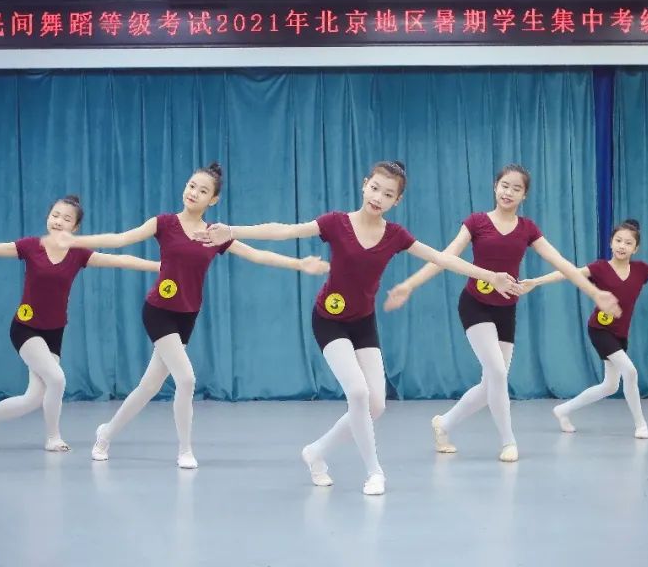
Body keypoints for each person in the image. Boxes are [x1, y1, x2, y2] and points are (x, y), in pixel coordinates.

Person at [194, 160, 521, 495]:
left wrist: (490, 275)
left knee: (376, 405)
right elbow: (285, 230)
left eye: (388, 194)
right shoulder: (336, 223)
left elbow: (442, 258)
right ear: (365, 185)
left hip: (363, 323)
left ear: (397, 201)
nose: (378, 197)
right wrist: (232, 230)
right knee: (359, 394)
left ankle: (316, 451)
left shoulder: (395, 236)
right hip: (328, 320)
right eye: (375, 188)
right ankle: (374, 472)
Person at [52, 164, 328, 469]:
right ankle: (185, 450)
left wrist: (299, 264)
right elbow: (120, 239)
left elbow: (258, 255)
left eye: (203, 190)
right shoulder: (164, 223)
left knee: (149, 387)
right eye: (191, 186)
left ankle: (105, 433)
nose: (194, 193)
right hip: (158, 311)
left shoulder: (215, 235)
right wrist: (76, 241)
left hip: (187, 315)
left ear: (213, 200)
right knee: (186, 379)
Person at [384, 164, 622, 461]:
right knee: (497, 372)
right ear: (495, 187)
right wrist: (410, 284)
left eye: (516, 188)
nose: (509, 192)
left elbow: (561, 262)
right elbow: (444, 258)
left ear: (524, 195)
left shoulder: (527, 229)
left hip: (506, 310)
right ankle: (508, 441)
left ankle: (443, 424)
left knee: (490, 384)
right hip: (475, 305)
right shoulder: (476, 222)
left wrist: (595, 293)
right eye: (504, 186)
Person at [0, 195, 160, 452]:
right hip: (25, 328)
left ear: (75, 227)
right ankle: (53, 437)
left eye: (66, 219)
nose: (59, 221)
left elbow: (120, 260)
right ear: (48, 218)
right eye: (55, 215)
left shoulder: (78, 253)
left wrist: (160, 266)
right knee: (57, 379)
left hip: (54, 332)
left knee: (32, 398)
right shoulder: (31, 247)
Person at [531, 219, 648, 438]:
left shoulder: (641, 270)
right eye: (618, 241)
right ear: (611, 243)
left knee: (610, 386)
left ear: (636, 248)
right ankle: (641, 425)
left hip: (620, 334)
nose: (622, 246)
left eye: (628, 243)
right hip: (599, 329)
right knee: (630, 371)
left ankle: (563, 410)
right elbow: (566, 273)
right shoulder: (599, 268)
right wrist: (535, 282)